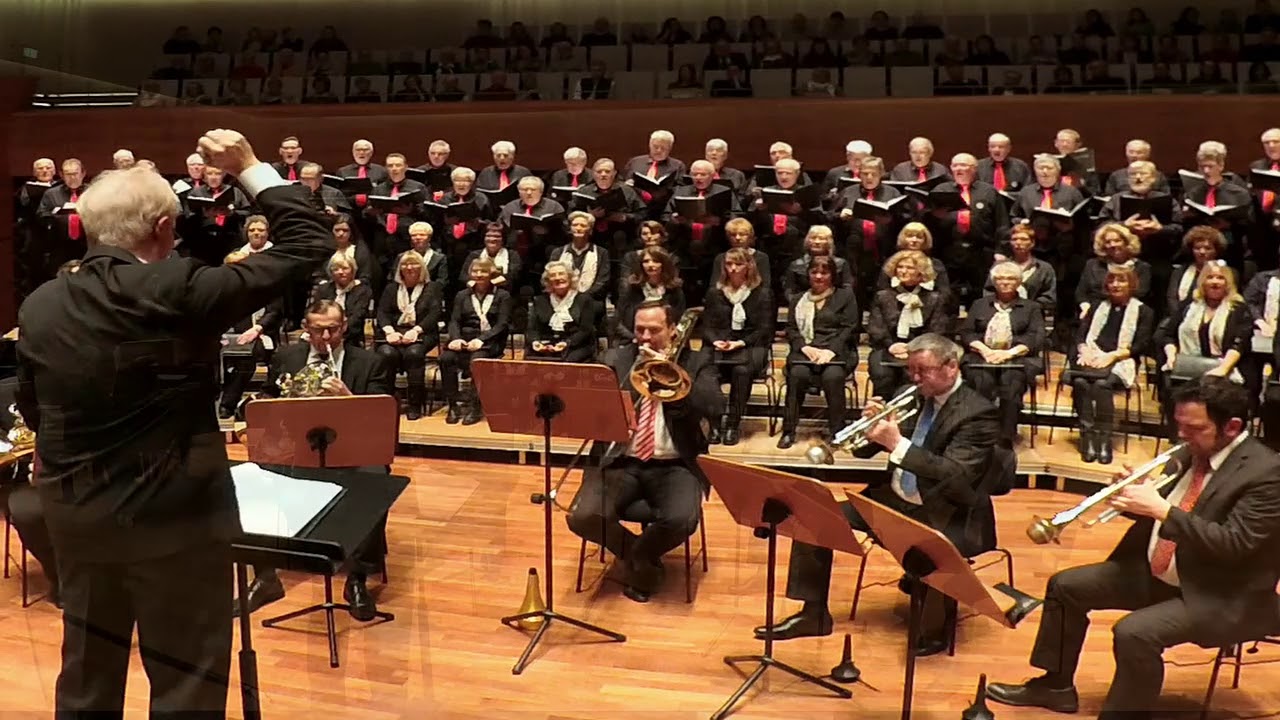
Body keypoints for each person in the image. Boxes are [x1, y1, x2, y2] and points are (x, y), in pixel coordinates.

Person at [15, 130, 332, 716]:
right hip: (178, 522)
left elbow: (37, 409)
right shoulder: (182, 286)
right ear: (163, 228)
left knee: (87, 677)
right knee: (186, 682)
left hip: (78, 517)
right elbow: (310, 239)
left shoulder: (40, 303)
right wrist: (250, 167)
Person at [988, 378, 1280, 718]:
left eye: (1194, 428)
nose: (1182, 435)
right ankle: (1055, 687)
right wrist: (1130, 496)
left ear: (1232, 427)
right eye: (1179, 424)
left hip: (1222, 593)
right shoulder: (1195, 449)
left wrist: (1159, 509)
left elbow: (1235, 544)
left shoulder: (1267, 473)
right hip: (1165, 573)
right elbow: (1170, 504)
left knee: (1134, 633)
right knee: (1065, 587)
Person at [757, 333, 1000, 656]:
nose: (914, 378)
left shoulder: (977, 413)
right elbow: (865, 452)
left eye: (922, 371)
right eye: (910, 370)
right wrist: (870, 426)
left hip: (948, 511)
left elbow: (954, 475)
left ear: (951, 367)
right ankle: (813, 614)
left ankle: (936, 627)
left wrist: (896, 442)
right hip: (894, 500)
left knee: (931, 552)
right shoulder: (908, 394)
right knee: (811, 517)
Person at [235, 299, 393, 620]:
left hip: (351, 450)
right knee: (253, 476)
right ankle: (266, 577)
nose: (327, 337)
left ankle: (357, 579)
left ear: (344, 327)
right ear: (305, 330)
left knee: (376, 474)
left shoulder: (370, 363)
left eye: (333, 329)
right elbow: (268, 398)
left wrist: (348, 398)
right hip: (296, 448)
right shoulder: (286, 358)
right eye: (319, 330)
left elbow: (381, 417)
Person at [565, 300, 721, 602]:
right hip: (621, 460)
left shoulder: (698, 361)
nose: (645, 338)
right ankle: (643, 560)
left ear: (673, 331)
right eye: (640, 330)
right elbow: (589, 409)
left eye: (654, 330)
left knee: (681, 520)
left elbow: (715, 407)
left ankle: (637, 560)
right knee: (581, 517)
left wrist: (670, 376)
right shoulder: (615, 359)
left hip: (676, 464)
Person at [1068, 266, 1156, 464]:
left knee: (1102, 385)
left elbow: (1141, 344)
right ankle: (1087, 436)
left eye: (1121, 280)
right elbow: (1080, 335)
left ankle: (1104, 438)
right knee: (1081, 382)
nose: (1116, 285)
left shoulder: (1144, 311)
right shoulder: (1096, 305)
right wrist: (1085, 350)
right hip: (1090, 355)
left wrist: (1112, 357)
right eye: (1112, 281)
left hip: (1121, 359)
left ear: (1131, 284)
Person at [701, 248, 772, 446]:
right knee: (706, 371)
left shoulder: (762, 293)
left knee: (742, 370)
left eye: (738, 264)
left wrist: (740, 343)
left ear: (748, 266)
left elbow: (764, 329)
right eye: (729, 264)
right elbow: (706, 325)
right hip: (720, 344)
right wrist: (715, 340)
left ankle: (732, 424)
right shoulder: (715, 292)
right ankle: (715, 424)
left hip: (750, 345)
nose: (733, 269)